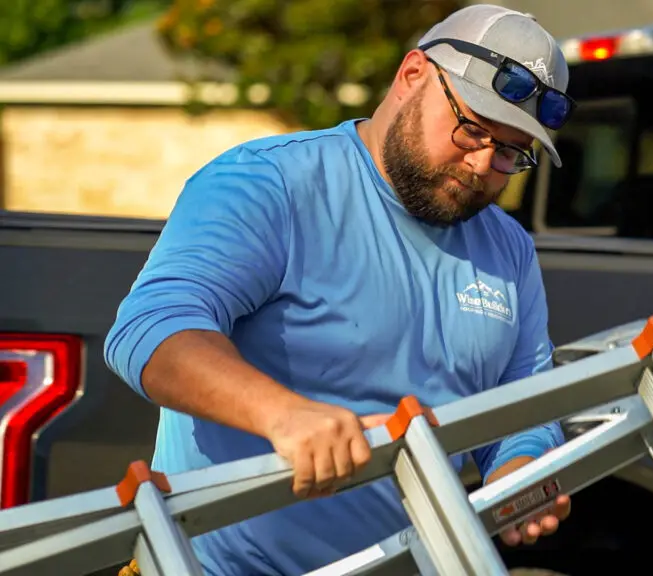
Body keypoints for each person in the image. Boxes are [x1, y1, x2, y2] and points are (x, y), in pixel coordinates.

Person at [103, 4, 577, 575]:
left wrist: (519, 468)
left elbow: (521, 399)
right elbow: (149, 331)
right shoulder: (271, 183)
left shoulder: (509, 249)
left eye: (510, 151)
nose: (482, 163)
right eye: (472, 128)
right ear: (411, 77)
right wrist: (283, 415)